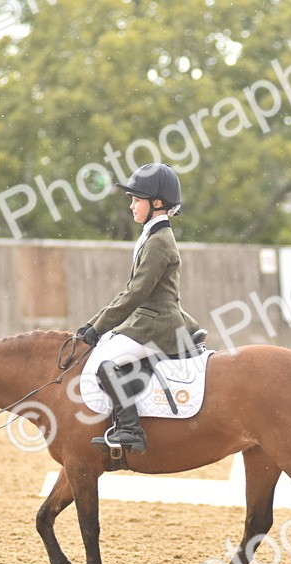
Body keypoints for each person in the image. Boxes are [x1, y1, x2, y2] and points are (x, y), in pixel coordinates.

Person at [75, 163, 200, 454]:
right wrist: (93, 324)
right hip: (145, 320)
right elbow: (129, 291)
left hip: (157, 324)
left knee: (105, 362)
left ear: (156, 203)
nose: (131, 206)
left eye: (136, 200)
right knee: (104, 348)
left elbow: (136, 293)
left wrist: (98, 328)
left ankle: (130, 430)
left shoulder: (159, 242)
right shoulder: (152, 236)